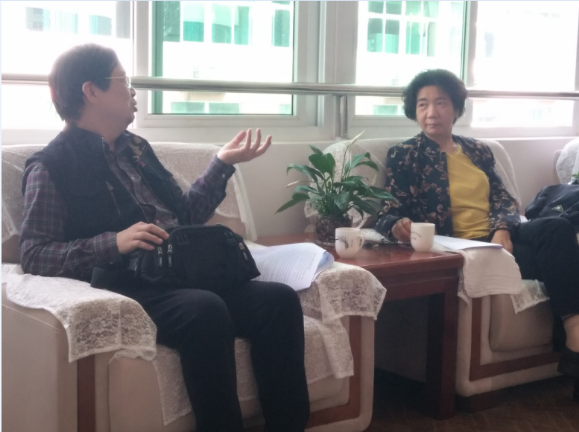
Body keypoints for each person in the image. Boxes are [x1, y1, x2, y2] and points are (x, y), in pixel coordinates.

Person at [19, 43, 310, 431]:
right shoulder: (51, 165)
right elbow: (34, 253)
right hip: (128, 282)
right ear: (91, 91)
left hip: (183, 270)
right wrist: (113, 242)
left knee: (278, 300)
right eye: (124, 80)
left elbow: (184, 215)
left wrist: (221, 163)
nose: (133, 91)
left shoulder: (137, 150)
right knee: (204, 309)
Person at [374, 69, 579, 400]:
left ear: (456, 108)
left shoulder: (478, 150)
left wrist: (502, 230)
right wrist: (396, 223)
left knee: (557, 228)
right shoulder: (405, 155)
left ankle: (573, 330)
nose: (431, 112)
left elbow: (503, 199)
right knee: (560, 260)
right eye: (423, 104)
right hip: (464, 246)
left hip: (498, 236)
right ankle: (574, 346)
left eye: (441, 102)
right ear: (414, 110)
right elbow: (387, 209)